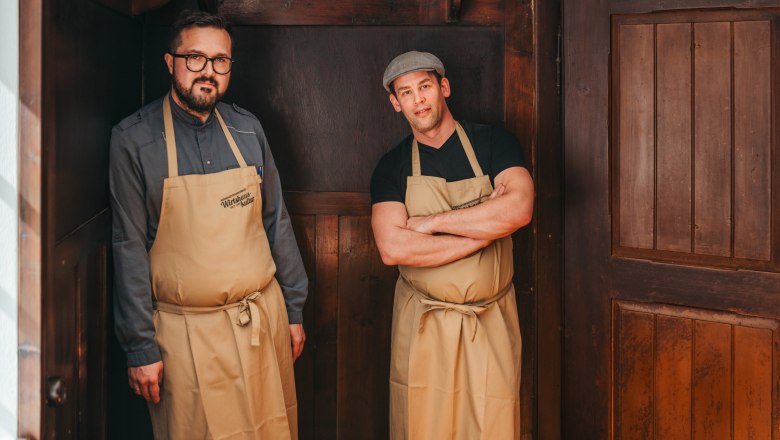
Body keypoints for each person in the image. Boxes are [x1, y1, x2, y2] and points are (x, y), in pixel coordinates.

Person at [109, 10, 307, 439]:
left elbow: (277, 223)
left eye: (220, 61)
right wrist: (140, 346)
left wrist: (293, 309)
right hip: (185, 337)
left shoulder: (248, 129)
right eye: (195, 58)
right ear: (170, 62)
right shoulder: (133, 140)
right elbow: (127, 248)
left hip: (260, 321)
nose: (208, 72)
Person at [370, 51, 534, 439]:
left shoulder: (494, 143)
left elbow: (520, 208)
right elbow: (394, 248)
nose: (418, 99)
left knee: (492, 428)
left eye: (425, 86)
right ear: (396, 103)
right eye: (406, 93)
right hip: (423, 324)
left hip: (490, 319)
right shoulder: (391, 167)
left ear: (443, 87)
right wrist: (485, 230)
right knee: (423, 427)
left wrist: (433, 224)